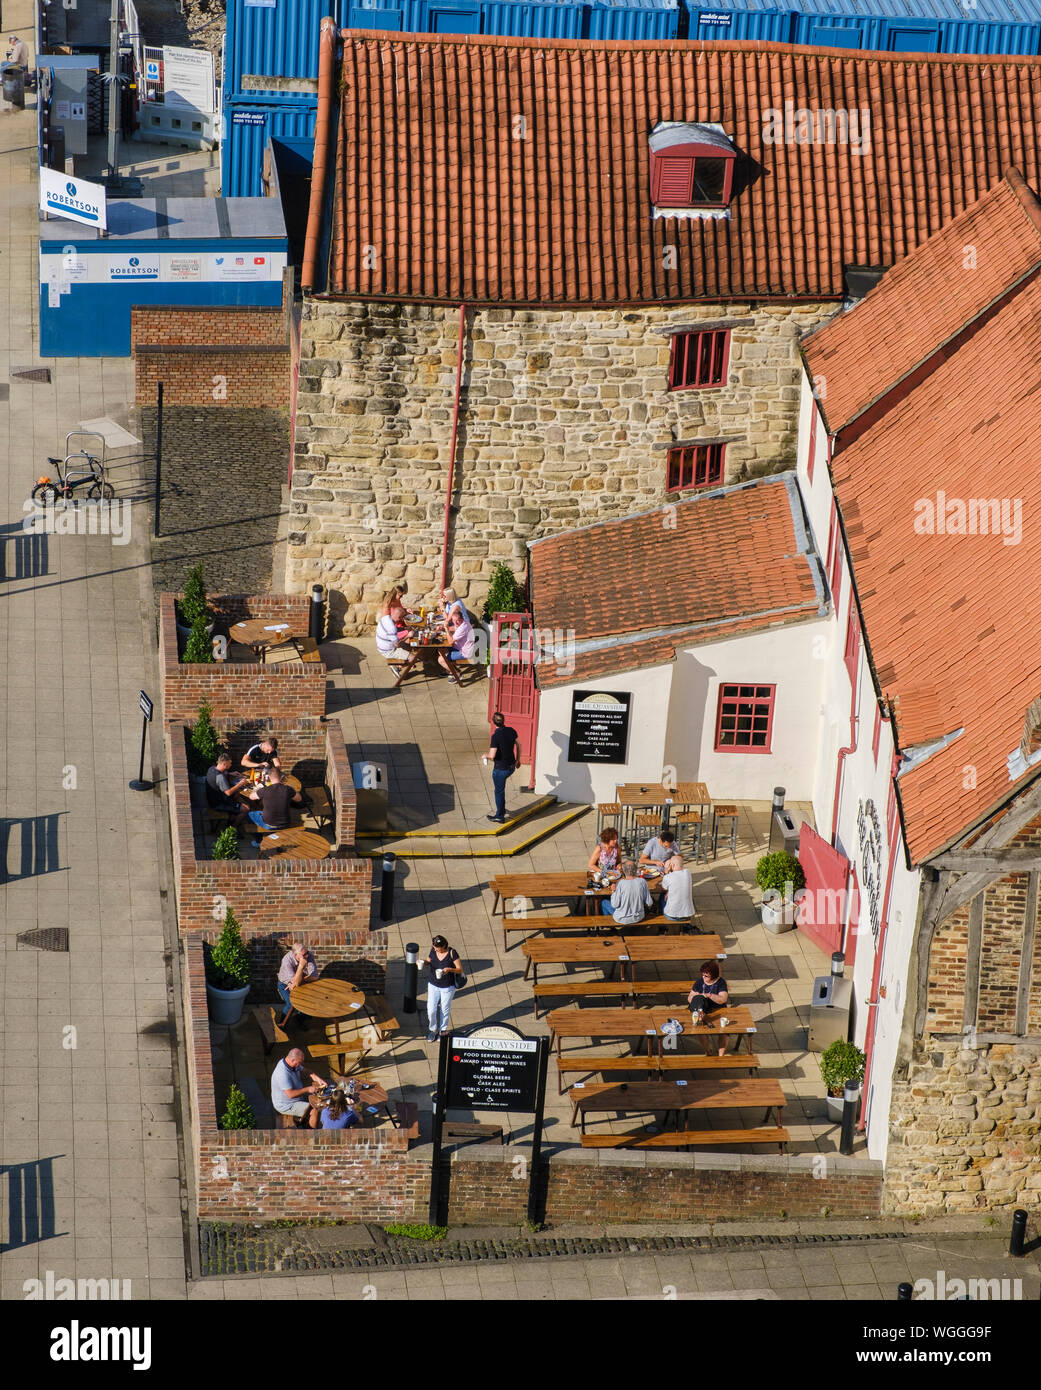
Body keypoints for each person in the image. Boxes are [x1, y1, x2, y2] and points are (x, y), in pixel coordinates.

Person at [421, 935, 463, 1041]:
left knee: (444, 1009)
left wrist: (449, 970)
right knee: (431, 1009)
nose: (435, 948)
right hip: (433, 984)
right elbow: (428, 960)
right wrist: (422, 962)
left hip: (447, 987)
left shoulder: (452, 953)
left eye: (437, 947)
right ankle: (433, 1030)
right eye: (434, 946)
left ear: (443, 946)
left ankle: (442, 1031)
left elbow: (459, 970)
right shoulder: (433, 950)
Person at [271, 1048, 327, 1129]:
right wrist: (307, 1089)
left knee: (319, 1097)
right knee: (314, 1111)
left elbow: (306, 1071)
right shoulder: (282, 1074)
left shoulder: (291, 1063)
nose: (300, 1065)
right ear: (293, 1060)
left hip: (298, 1096)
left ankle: (310, 1121)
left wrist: (318, 1079)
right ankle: (312, 1134)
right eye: (299, 1062)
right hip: (287, 1104)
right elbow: (290, 1094)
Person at [246, 767, 303, 844]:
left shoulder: (265, 790)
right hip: (285, 823)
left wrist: (257, 790)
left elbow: (251, 797)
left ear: (269, 777)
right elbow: (299, 799)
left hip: (268, 824)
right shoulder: (287, 789)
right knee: (262, 812)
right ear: (281, 777)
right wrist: (291, 790)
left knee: (249, 815)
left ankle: (259, 841)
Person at [687, 961, 730, 1056]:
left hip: (719, 1010)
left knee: (724, 1032)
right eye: (703, 975)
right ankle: (708, 1051)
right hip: (703, 1011)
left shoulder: (720, 983)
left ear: (713, 975)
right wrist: (698, 997)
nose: (703, 977)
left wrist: (708, 995)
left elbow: (722, 999)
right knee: (700, 1032)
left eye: (706, 976)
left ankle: (721, 1056)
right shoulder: (699, 982)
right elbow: (689, 998)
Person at [485, 710, 519, 823]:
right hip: (511, 766)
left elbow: (492, 756)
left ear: (493, 722)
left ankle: (499, 816)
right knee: (501, 791)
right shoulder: (511, 731)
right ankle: (501, 809)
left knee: (499, 792)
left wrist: (485, 755)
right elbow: (519, 745)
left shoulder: (495, 736)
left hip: (501, 769)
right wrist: (518, 760)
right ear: (504, 721)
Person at [376, 593, 419, 681]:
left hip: (381, 645)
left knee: (408, 646)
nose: (402, 620)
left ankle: (401, 663)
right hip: (388, 650)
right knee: (414, 658)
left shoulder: (386, 618)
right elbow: (397, 644)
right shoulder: (391, 627)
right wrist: (408, 635)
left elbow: (395, 631)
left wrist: (404, 628)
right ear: (399, 617)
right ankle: (397, 667)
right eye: (402, 618)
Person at [276, 941, 318, 1026]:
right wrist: (301, 966)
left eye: (307, 953)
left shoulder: (308, 955)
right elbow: (296, 983)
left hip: (302, 982)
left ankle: (299, 1019)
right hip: (284, 984)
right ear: (295, 954)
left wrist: (298, 981)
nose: (306, 956)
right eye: (303, 955)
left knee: (309, 1000)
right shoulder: (286, 961)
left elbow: (314, 977)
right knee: (291, 1003)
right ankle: (282, 1024)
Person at [205, 752, 250, 827]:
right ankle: (233, 828)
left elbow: (219, 775)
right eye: (230, 763)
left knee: (237, 795)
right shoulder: (220, 777)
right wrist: (240, 784)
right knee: (246, 809)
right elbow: (228, 793)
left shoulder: (211, 768)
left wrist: (229, 773)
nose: (231, 765)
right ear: (224, 764)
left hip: (211, 799)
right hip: (218, 804)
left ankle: (232, 818)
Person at [601, 859, 652, 923]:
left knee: (604, 902)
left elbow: (614, 904)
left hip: (621, 918)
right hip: (638, 917)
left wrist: (613, 891)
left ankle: (610, 926)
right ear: (636, 870)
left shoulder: (620, 883)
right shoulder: (642, 881)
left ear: (624, 871)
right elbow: (649, 902)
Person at [436, 610, 477, 685]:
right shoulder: (461, 623)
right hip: (459, 647)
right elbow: (454, 628)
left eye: (457, 621)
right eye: (453, 620)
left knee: (441, 659)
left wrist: (446, 630)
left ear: (462, 619)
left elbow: (451, 641)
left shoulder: (463, 627)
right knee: (441, 651)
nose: (455, 623)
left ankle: (456, 674)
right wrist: (444, 628)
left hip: (464, 652)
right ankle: (449, 670)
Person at [661, 852, 696, 928]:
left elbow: (664, 888)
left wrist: (666, 872)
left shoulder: (668, 877)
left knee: (661, 897)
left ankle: (662, 925)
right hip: (687, 915)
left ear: (672, 865)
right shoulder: (688, 873)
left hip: (671, 915)